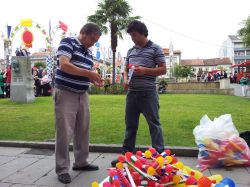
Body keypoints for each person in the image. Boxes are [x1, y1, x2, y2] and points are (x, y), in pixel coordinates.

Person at [111, 20, 166, 166]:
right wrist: (124, 78)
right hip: (132, 94)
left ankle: (159, 156)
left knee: (154, 125)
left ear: (142, 33)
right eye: (131, 35)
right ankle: (126, 155)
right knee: (130, 125)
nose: (132, 38)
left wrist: (145, 70)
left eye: (134, 35)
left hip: (148, 94)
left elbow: (163, 69)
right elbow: (126, 69)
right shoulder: (131, 51)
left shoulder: (156, 49)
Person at [54, 22, 103, 184]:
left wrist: (93, 79)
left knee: (83, 130)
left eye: (95, 41)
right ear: (84, 33)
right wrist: (89, 73)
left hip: (83, 94)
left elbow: (85, 73)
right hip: (66, 92)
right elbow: (64, 65)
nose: (93, 44)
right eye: (92, 40)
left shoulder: (88, 53)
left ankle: (81, 162)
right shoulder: (68, 42)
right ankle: (62, 169)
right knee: (64, 132)